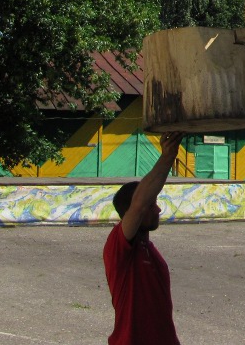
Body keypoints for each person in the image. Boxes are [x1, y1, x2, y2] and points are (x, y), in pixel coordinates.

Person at [103, 131, 185, 345]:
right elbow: (139, 205)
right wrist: (167, 156)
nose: (158, 209)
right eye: (151, 205)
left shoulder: (149, 249)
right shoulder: (118, 246)